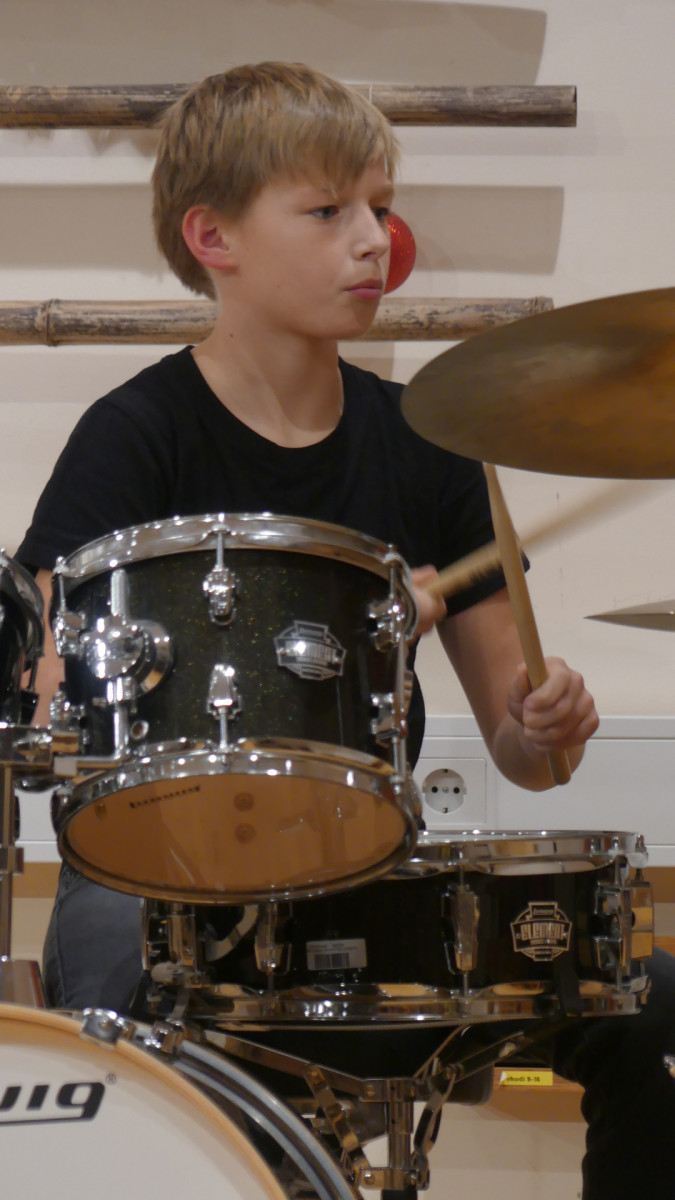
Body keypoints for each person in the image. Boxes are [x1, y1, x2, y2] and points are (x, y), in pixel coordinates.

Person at [16, 62, 674, 1197]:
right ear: (213, 237)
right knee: (135, 1034)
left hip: (370, 863)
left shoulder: (427, 444)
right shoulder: (133, 436)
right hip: (161, 880)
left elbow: (529, 751)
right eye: (328, 212)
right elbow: (43, 691)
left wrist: (542, 720)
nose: (377, 241)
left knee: (651, 1011)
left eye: (380, 206)